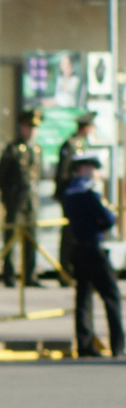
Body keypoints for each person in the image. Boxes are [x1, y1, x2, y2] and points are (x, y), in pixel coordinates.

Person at [60, 153, 122, 359]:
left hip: (78, 248)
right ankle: (118, 345)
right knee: (111, 295)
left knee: (84, 298)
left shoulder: (69, 193)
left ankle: (85, 344)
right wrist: (100, 222)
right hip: (94, 249)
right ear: (81, 169)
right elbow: (109, 219)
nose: (94, 172)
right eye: (90, 168)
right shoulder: (89, 194)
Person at [0, 112, 43, 288]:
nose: (32, 131)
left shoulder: (36, 149)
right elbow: (2, 176)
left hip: (31, 200)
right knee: (11, 238)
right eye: (29, 127)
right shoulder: (13, 149)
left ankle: (29, 275)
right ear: (22, 127)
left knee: (31, 238)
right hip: (15, 200)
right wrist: (6, 198)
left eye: (35, 128)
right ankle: (8, 275)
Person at [53, 112, 97, 287]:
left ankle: (76, 269)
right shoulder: (70, 144)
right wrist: (61, 192)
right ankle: (65, 270)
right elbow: (63, 170)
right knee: (69, 233)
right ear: (85, 127)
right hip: (70, 194)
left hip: (80, 194)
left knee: (78, 232)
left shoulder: (82, 144)